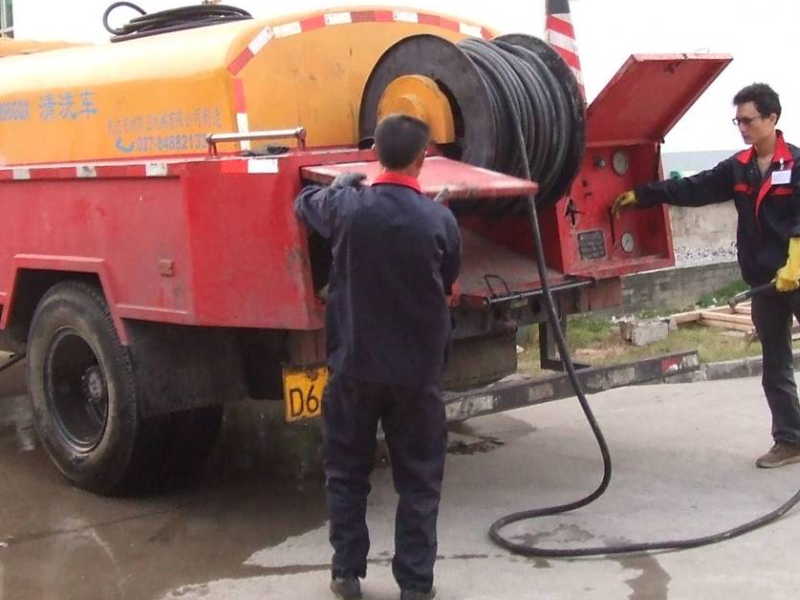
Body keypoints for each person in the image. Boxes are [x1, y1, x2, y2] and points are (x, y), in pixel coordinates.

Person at [294, 114, 461, 600]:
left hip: (355, 367)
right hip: (417, 375)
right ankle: (416, 585)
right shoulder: (439, 219)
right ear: (422, 157)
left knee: (346, 473)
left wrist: (338, 187)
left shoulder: (347, 208)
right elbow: (449, 278)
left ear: (375, 155)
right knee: (419, 481)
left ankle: (346, 573)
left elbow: (303, 203)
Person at [613, 82, 800, 469]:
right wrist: (645, 194)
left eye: (748, 120)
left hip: (796, 277)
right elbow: (694, 188)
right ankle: (790, 440)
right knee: (775, 364)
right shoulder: (739, 167)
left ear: (772, 118)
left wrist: (796, 261)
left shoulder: (796, 165)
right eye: (738, 121)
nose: (743, 128)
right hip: (763, 282)